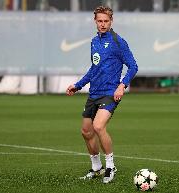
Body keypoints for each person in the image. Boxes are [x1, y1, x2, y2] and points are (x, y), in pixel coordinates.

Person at [66, 5, 138, 184]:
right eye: (100, 21)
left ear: (111, 21)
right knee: (86, 131)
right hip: (94, 93)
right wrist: (78, 85)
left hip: (110, 93)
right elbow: (93, 68)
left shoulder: (118, 41)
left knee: (98, 126)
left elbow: (133, 66)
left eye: (106, 21)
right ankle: (96, 168)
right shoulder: (94, 41)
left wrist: (122, 86)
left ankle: (110, 166)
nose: (103, 24)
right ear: (95, 21)